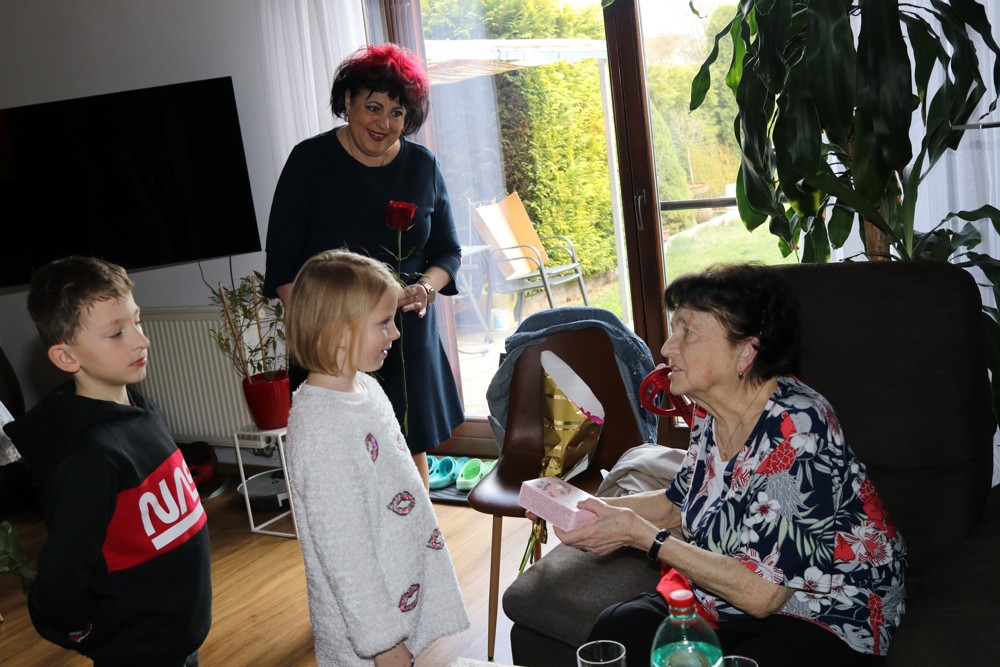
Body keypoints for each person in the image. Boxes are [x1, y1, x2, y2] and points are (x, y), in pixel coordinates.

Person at [554, 264, 907, 666]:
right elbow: (675, 505)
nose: (667, 347)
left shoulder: (798, 426)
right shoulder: (711, 411)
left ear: (746, 351)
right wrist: (577, 505)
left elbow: (762, 593)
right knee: (620, 627)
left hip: (823, 613)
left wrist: (643, 537)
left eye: (688, 332)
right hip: (726, 602)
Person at [263, 43, 464, 489]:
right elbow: (282, 265)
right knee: (341, 467)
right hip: (332, 346)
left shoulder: (423, 165)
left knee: (407, 453)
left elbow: (448, 252)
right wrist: (321, 334)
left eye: (397, 113)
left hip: (402, 336)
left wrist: (426, 289)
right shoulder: (308, 162)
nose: (383, 123)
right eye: (373, 107)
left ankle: (418, 533)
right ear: (348, 100)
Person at [4, 256, 211, 667]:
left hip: (178, 638)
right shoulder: (88, 459)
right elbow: (64, 572)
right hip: (138, 652)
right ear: (67, 358)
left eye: (137, 321)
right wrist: (80, 630)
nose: (140, 340)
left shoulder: (142, 407)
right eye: (116, 333)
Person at [283, 249, 469, 667]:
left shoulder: (366, 388)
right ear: (339, 332)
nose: (396, 333)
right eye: (384, 323)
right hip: (367, 634)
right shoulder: (319, 427)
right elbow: (343, 551)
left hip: (396, 597)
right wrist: (384, 644)